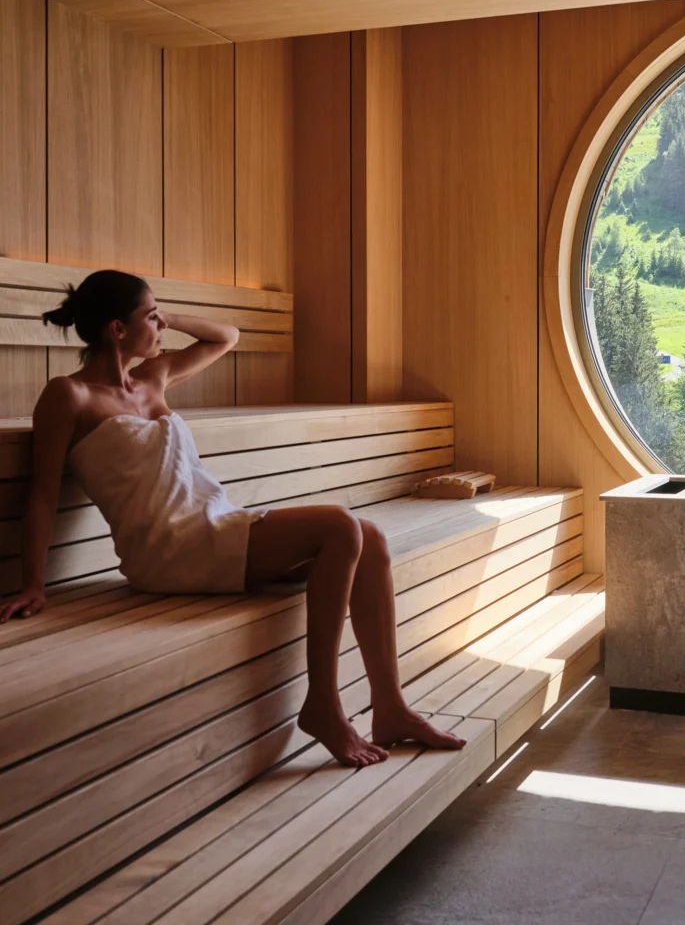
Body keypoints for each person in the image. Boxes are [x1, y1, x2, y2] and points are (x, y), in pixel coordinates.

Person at [0, 270, 465, 768]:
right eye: (151, 316)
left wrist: (164, 315)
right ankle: (323, 707)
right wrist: (33, 583)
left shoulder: (153, 377)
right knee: (340, 525)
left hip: (214, 523)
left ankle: (391, 709)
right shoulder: (69, 396)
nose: (161, 326)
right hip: (167, 548)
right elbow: (43, 495)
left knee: (368, 538)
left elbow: (227, 337)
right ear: (117, 329)